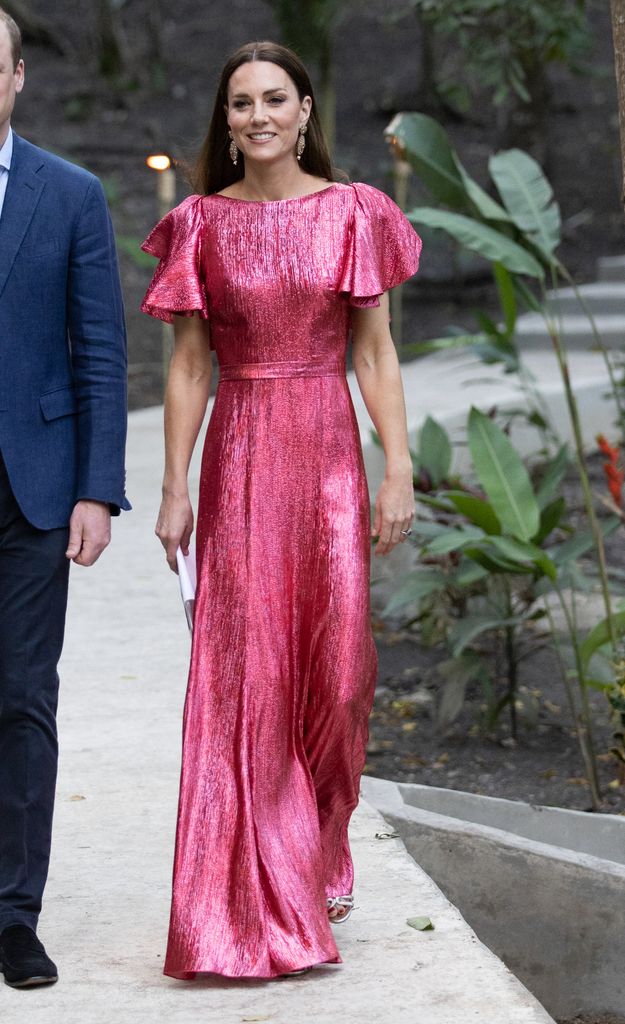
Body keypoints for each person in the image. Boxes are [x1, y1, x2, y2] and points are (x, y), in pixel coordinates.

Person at [141, 39, 421, 980]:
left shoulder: (353, 214)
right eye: (239, 104)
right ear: (225, 122)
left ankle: (321, 847)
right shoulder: (199, 225)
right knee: (249, 676)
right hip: (243, 453)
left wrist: (397, 471)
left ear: (305, 111)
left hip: (332, 456)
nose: (256, 116)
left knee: (338, 676)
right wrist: (175, 485)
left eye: (273, 99)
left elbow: (374, 354)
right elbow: (187, 365)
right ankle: (259, 899)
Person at [0, 9, 129, 989]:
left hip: (32, 490)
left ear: (15, 78)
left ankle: (13, 913)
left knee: (19, 698)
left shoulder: (72, 195)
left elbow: (101, 354)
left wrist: (96, 487)